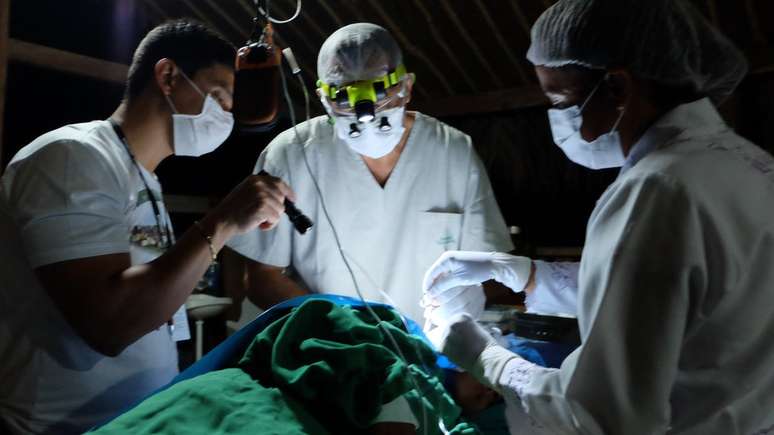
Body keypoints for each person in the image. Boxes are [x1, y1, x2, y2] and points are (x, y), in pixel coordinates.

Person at [423, 0, 774, 433]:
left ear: (617, 88)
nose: (560, 122)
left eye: (560, 100)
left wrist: (482, 355)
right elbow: (668, 297)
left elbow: (598, 413)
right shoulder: (749, 164)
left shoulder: (655, 190)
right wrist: (527, 276)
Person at [0, 20, 294, 434]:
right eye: (218, 96)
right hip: (64, 426)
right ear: (169, 76)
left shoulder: (143, 179)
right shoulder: (72, 157)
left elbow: (152, 296)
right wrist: (223, 221)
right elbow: (110, 324)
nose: (226, 116)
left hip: (133, 421)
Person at [227, 23, 513, 325]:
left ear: (406, 87)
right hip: (327, 342)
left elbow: (488, 267)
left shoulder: (452, 152)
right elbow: (261, 277)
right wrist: (341, 329)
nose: (366, 115)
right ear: (324, 98)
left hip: (427, 342)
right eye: (344, 100)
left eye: (381, 94)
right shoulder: (291, 154)